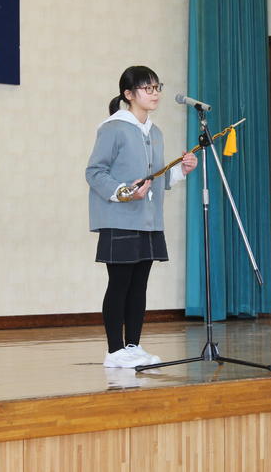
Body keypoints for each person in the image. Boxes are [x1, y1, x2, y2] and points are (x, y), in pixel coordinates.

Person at [86, 66, 197, 369]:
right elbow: (94, 172)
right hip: (119, 218)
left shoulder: (155, 132)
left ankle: (133, 346)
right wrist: (123, 192)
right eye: (148, 88)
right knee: (119, 284)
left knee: (139, 286)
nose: (155, 93)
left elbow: (157, 178)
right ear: (129, 94)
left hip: (148, 220)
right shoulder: (113, 128)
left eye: (157, 87)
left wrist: (182, 170)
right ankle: (114, 351)